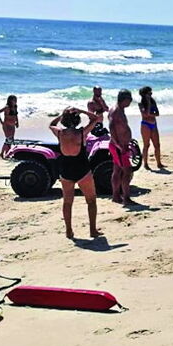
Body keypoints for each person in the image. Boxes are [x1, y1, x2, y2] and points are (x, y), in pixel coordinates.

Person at [49, 107, 102, 239]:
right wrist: (81, 110)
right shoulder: (81, 133)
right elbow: (96, 118)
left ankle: (69, 231)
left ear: (65, 120)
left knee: (67, 202)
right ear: (77, 119)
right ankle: (92, 230)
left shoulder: (60, 133)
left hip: (66, 170)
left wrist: (62, 115)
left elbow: (51, 124)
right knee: (91, 201)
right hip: (82, 169)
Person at [109, 89, 135, 205]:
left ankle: (116, 196)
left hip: (120, 145)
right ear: (124, 100)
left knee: (117, 170)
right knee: (127, 171)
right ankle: (126, 198)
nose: (130, 102)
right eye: (129, 100)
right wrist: (118, 145)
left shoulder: (119, 110)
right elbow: (111, 128)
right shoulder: (116, 111)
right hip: (119, 146)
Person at [138, 86, 164, 169]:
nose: (151, 94)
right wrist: (148, 104)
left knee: (157, 145)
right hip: (146, 125)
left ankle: (159, 163)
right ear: (144, 94)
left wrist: (150, 113)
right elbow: (145, 114)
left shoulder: (153, 102)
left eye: (151, 93)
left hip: (154, 124)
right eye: (149, 93)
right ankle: (145, 163)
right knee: (146, 145)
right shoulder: (141, 103)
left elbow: (157, 113)